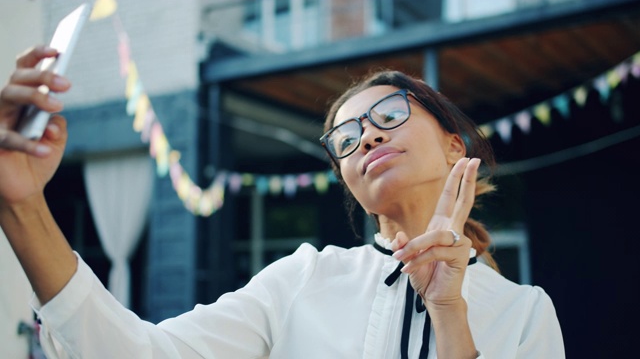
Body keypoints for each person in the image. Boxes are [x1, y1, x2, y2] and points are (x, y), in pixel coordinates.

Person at [0, 46, 565, 358]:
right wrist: (22, 207)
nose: (366, 137)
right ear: (350, 184)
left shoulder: (526, 313)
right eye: (345, 140)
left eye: (389, 115)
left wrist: (448, 312)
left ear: (451, 144)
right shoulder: (303, 278)